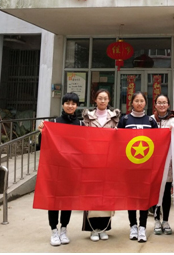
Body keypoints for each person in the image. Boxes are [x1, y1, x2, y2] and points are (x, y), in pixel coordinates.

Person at [37, 92, 84, 247]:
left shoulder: (81, 124)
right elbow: (43, 145)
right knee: (54, 201)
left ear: (77, 106)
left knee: (67, 201)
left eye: (73, 103)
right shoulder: (54, 123)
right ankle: (53, 230)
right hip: (56, 170)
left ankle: (64, 229)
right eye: (67, 103)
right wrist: (42, 133)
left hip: (72, 170)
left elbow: (85, 146)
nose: (70, 106)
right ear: (63, 104)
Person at [81, 89, 121, 242]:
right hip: (92, 161)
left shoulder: (115, 117)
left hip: (109, 161)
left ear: (109, 100)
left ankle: (104, 228)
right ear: (95, 100)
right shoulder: (88, 117)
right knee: (92, 193)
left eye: (105, 98)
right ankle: (92, 228)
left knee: (107, 194)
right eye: (100, 98)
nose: (103, 101)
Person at [118, 92, 158, 243]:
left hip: (146, 167)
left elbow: (157, 142)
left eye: (142, 101)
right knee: (131, 197)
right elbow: (118, 141)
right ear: (132, 103)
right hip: (129, 167)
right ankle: (133, 226)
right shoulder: (125, 119)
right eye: (136, 100)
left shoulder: (151, 121)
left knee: (143, 197)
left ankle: (142, 227)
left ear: (145, 103)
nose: (139, 103)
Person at [150, 94, 174, 236]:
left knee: (166, 192)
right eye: (159, 102)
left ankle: (165, 220)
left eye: (164, 102)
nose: (162, 105)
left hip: (168, 162)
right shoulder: (150, 120)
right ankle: (156, 220)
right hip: (154, 162)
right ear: (155, 105)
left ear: (168, 105)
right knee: (155, 192)